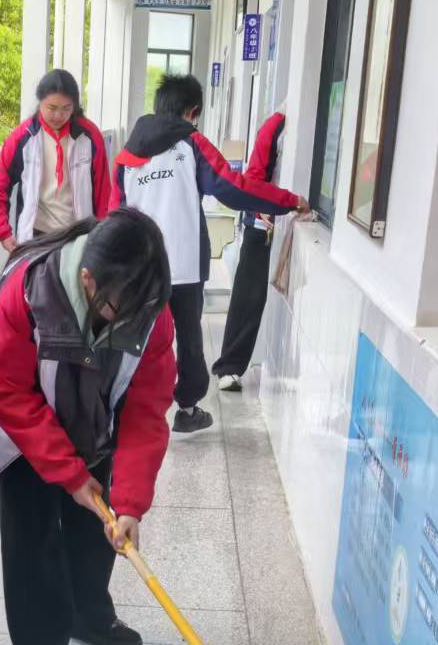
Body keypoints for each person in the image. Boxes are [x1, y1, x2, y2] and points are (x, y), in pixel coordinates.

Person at [0, 208, 176, 645]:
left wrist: (131, 504)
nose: (135, 318)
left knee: (97, 525)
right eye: (121, 308)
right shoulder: (29, 290)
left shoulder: (149, 310)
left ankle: (87, 614)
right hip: (24, 426)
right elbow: (9, 390)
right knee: (33, 535)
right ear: (87, 279)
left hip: (94, 412)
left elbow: (147, 410)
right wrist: (67, 473)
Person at [115, 76, 307, 434]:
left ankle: (128, 408)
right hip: (184, 264)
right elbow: (232, 188)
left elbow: (116, 211)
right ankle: (187, 410)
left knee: (137, 336)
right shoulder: (191, 142)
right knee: (189, 338)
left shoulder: (128, 154)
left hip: (142, 267)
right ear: (193, 112)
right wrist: (288, 200)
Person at [0, 69, 113, 253]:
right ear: (40, 102)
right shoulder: (23, 138)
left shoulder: (90, 136)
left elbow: (103, 191)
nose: (58, 116)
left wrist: (104, 234)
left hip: (78, 235)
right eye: (52, 108)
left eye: (66, 109)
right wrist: (2, 232)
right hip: (36, 235)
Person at [212, 110, 291, 390]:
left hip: (284, 222)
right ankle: (228, 369)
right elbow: (254, 176)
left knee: (259, 298)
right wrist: (260, 208)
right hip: (260, 225)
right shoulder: (276, 125)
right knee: (249, 297)